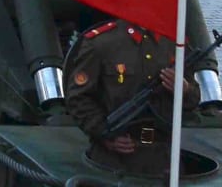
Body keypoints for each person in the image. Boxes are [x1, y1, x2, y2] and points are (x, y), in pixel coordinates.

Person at [62, 18, 195, 176]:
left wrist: (185, 90)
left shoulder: (174, 43)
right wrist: (103, 132)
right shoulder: (101, 42)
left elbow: (194, 99)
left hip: (162, 158)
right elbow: (79, 98)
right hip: (114, 160)